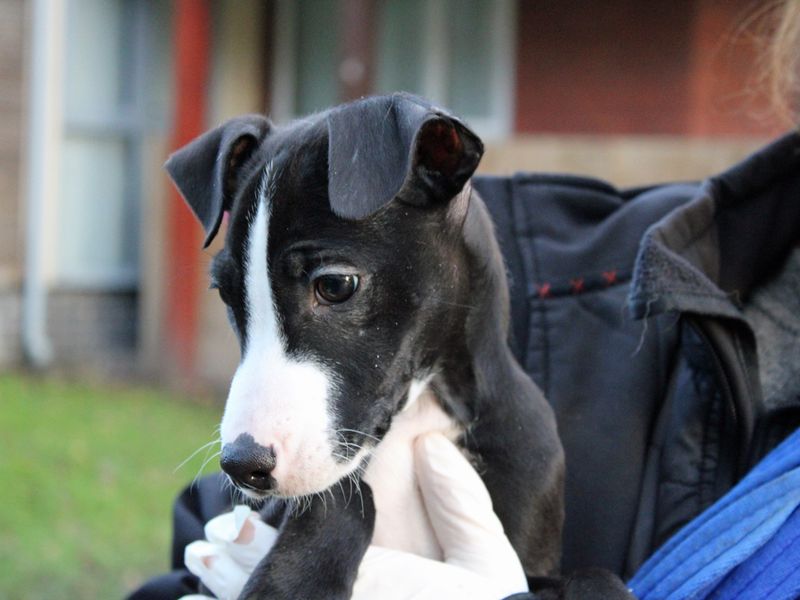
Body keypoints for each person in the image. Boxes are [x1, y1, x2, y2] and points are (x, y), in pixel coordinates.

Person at [131, 3, 800, 598]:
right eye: (240, 302)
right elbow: (207, 537)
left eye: (333, 287)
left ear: (436, 161)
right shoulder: (560, 269)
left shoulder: (528, 448)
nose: (242, 423)